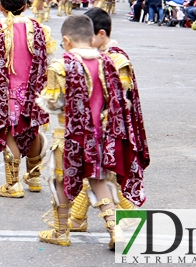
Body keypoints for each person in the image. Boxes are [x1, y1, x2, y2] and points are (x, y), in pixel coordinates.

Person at [37, 15, 145, 250]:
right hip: (100, 134)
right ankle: (114, 230)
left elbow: (54, 103)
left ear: (66, 41)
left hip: (68, 135)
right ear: (92, 37)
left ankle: (61, 231)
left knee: (60, 182)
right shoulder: (108, 63)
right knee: (99, 181)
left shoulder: (60, 66)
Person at [67, 8, 150, 233]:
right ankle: (78, 218)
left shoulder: (117, 58)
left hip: (109, 127)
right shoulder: (99, 55)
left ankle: (126, 218)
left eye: (89, 37)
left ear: (101, 34)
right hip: (97, 125)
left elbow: (122, 102)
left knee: (99, 174)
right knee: (95, 174)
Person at [0, 0, 56, 199]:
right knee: (33, 129)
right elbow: (50, 63)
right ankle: (34, 177)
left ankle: (13, 184)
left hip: (7, 93)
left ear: (0, 6)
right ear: (25, 6)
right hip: (33, 92)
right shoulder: (41, 30)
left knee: (9, 132)